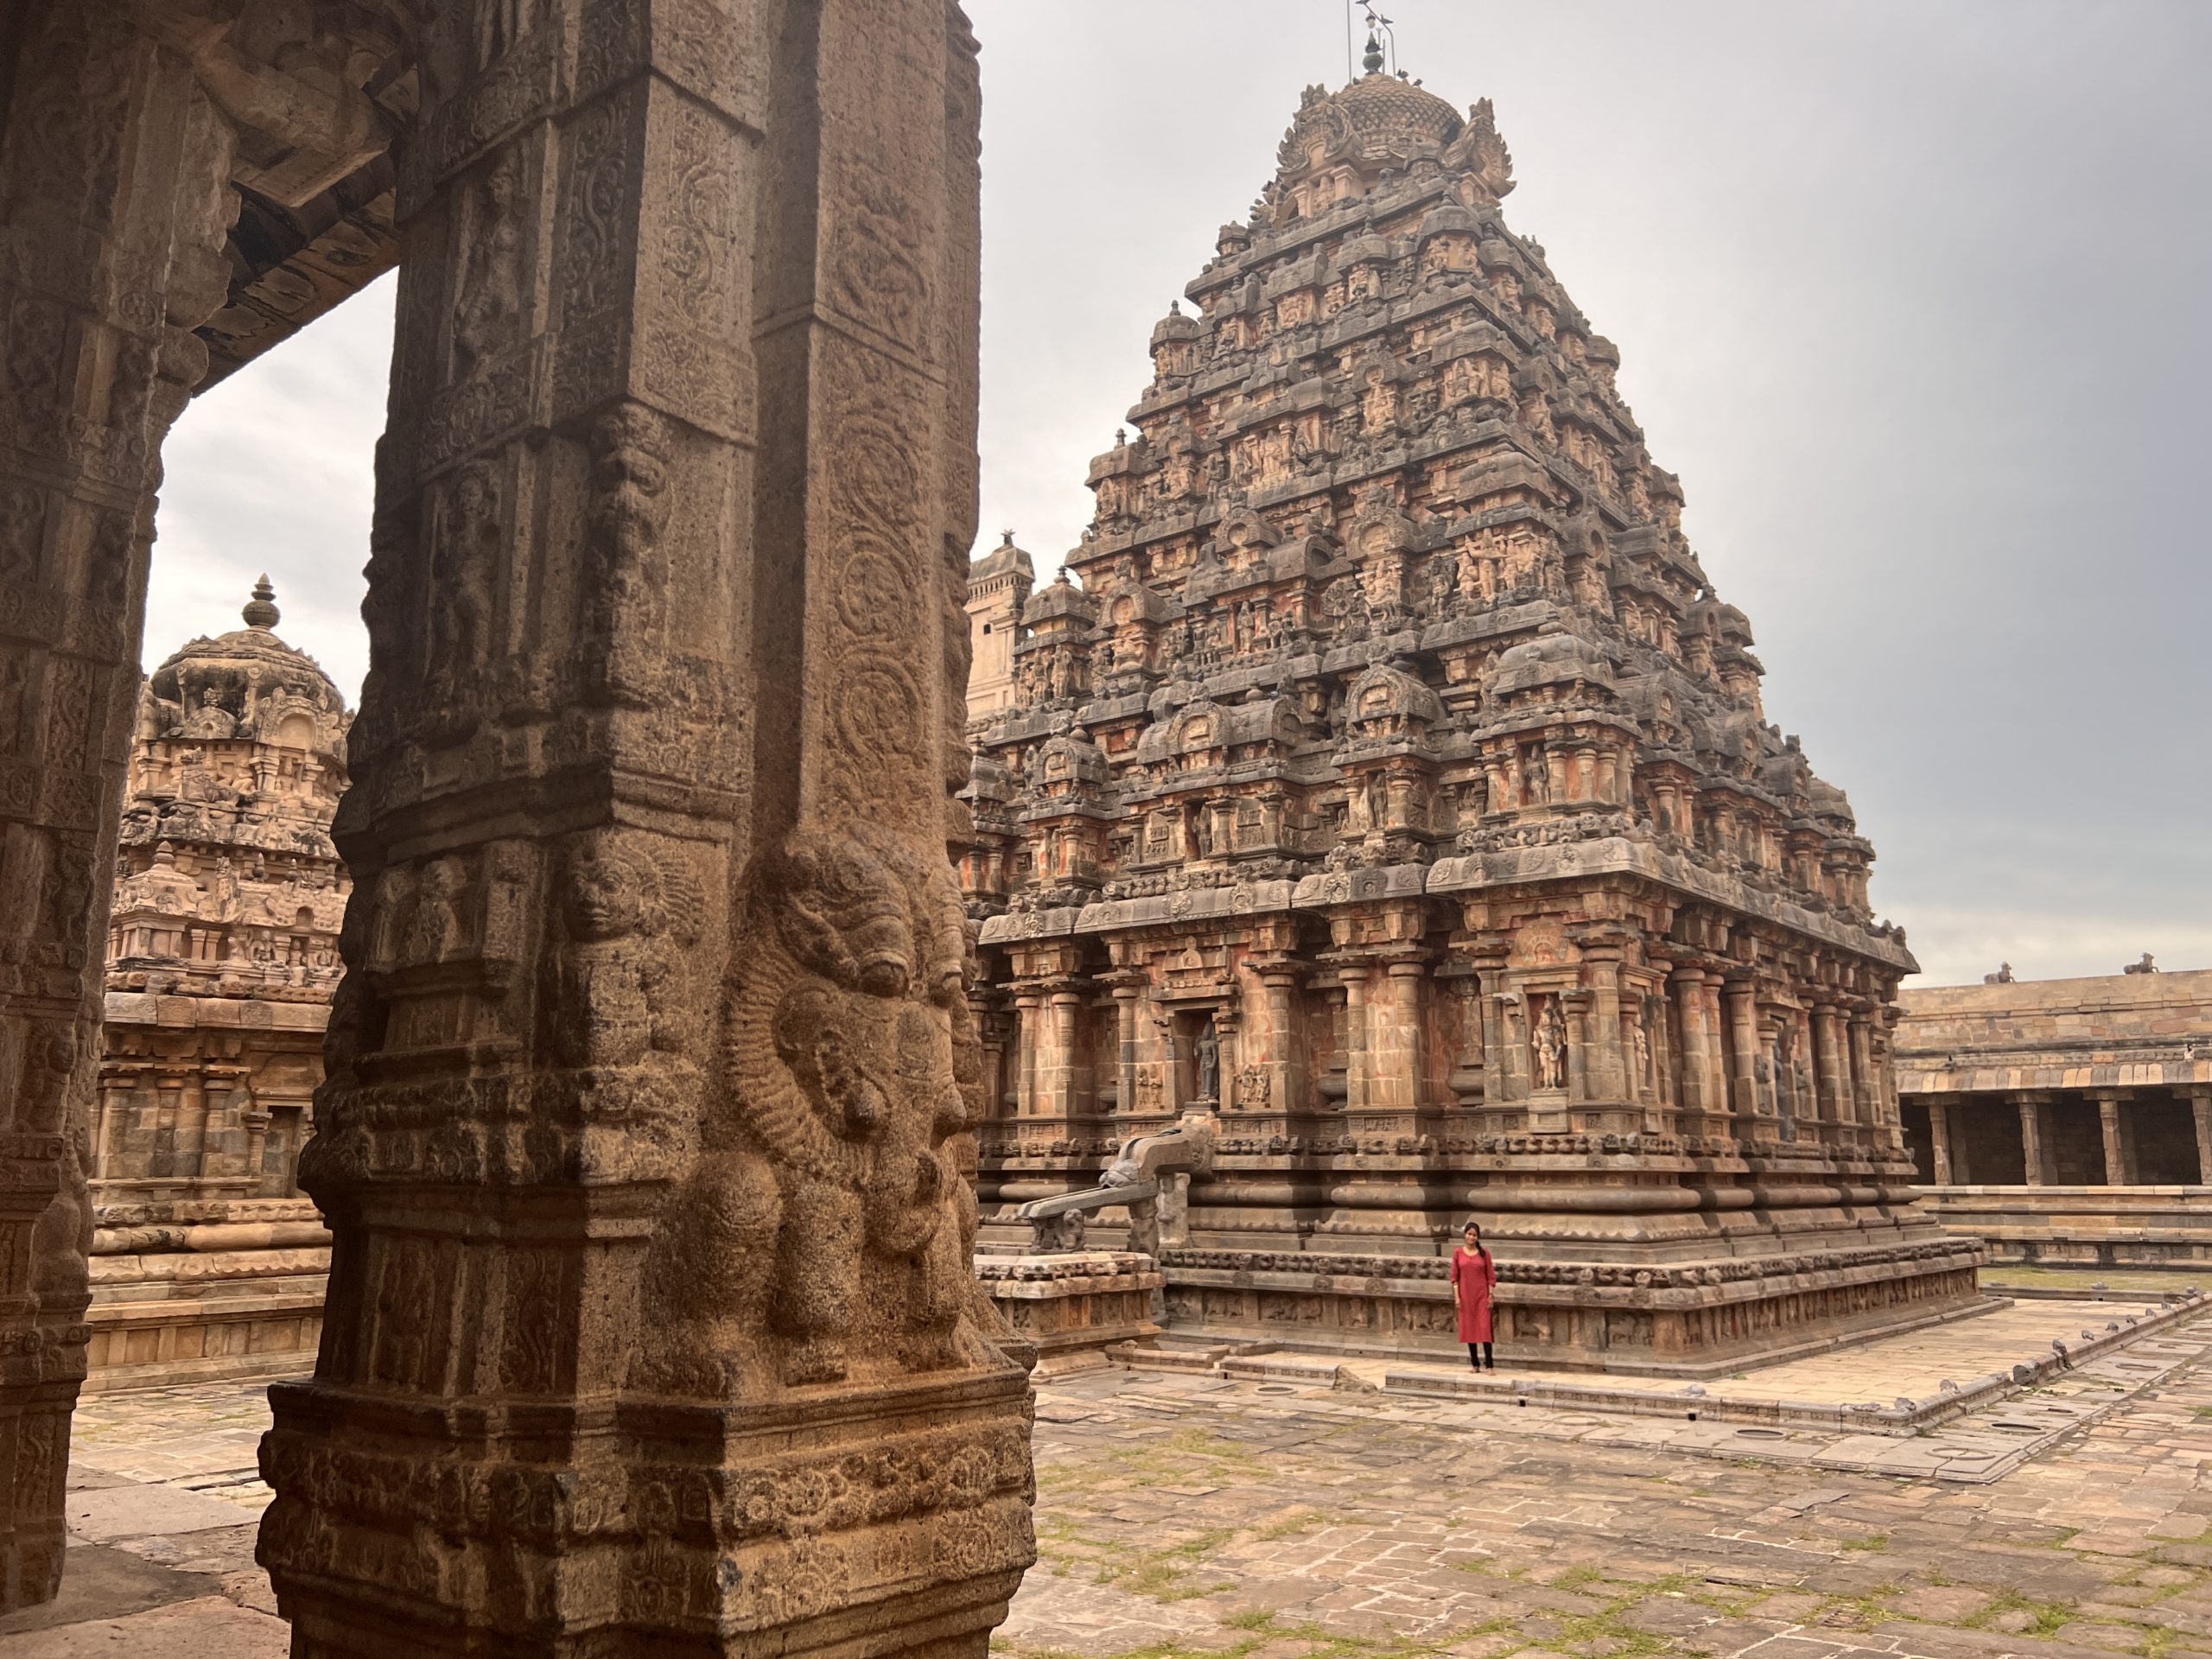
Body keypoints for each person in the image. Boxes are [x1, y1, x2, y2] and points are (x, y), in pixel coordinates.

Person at [1451, 1221, 1497, 1371]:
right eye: (1469, 1234)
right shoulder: (1458, 1253)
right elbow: (1454, 1277)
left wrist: (1490, 1295)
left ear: (1478, 1237)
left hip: (1482, 1295)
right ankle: (1475, 1364)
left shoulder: (1485, 1254)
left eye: (1474, 1235)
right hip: (1465, 1296)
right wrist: (1457, 1297)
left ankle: (1489, 1365)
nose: (1471, 1237)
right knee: (1469, 1328)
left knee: (1484, 1329)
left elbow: (1490, 1276)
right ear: (1465, 1235)